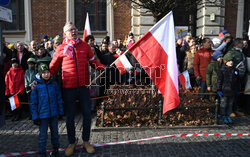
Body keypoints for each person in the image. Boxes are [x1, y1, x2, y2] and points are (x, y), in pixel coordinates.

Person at [49, 22, 106, 156]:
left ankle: (86, 141)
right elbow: (52, 67)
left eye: (75, 29)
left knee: (87, 115)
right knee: (70, 117)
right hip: (68, 88)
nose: (74, 31)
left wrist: (104, 68)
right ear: (65, 34)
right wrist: (41, 78)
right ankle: (71, 142)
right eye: (70, 30)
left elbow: (93, 62)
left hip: (84, 87)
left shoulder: (85, 46)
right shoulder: (61, 48)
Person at [30, 64, 63, 157]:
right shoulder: (36, 86)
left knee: (55, 134)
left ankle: (56, 150)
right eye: (44, 73)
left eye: (48, 72)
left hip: (53, 114)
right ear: (40, 74)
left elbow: (58, 98)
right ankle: (42, 153)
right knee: (43, 136)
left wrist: (60, 111)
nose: (46, 74)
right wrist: (35, 116)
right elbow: (33, 103)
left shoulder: (54, 84)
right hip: (42, 116)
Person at [216, 55, 241, 124]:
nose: (231, 62)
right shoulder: (222, 70)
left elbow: (238, 81)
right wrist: (219, 89)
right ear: (225, 62)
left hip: (232, 91)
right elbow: (219, 80)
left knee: (230, 104)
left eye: (232, 61)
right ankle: (222, 115)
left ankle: (228, 115)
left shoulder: (235, 70)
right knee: (223, 104)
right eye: (229, 61)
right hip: (224, 91)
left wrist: (238, 89)